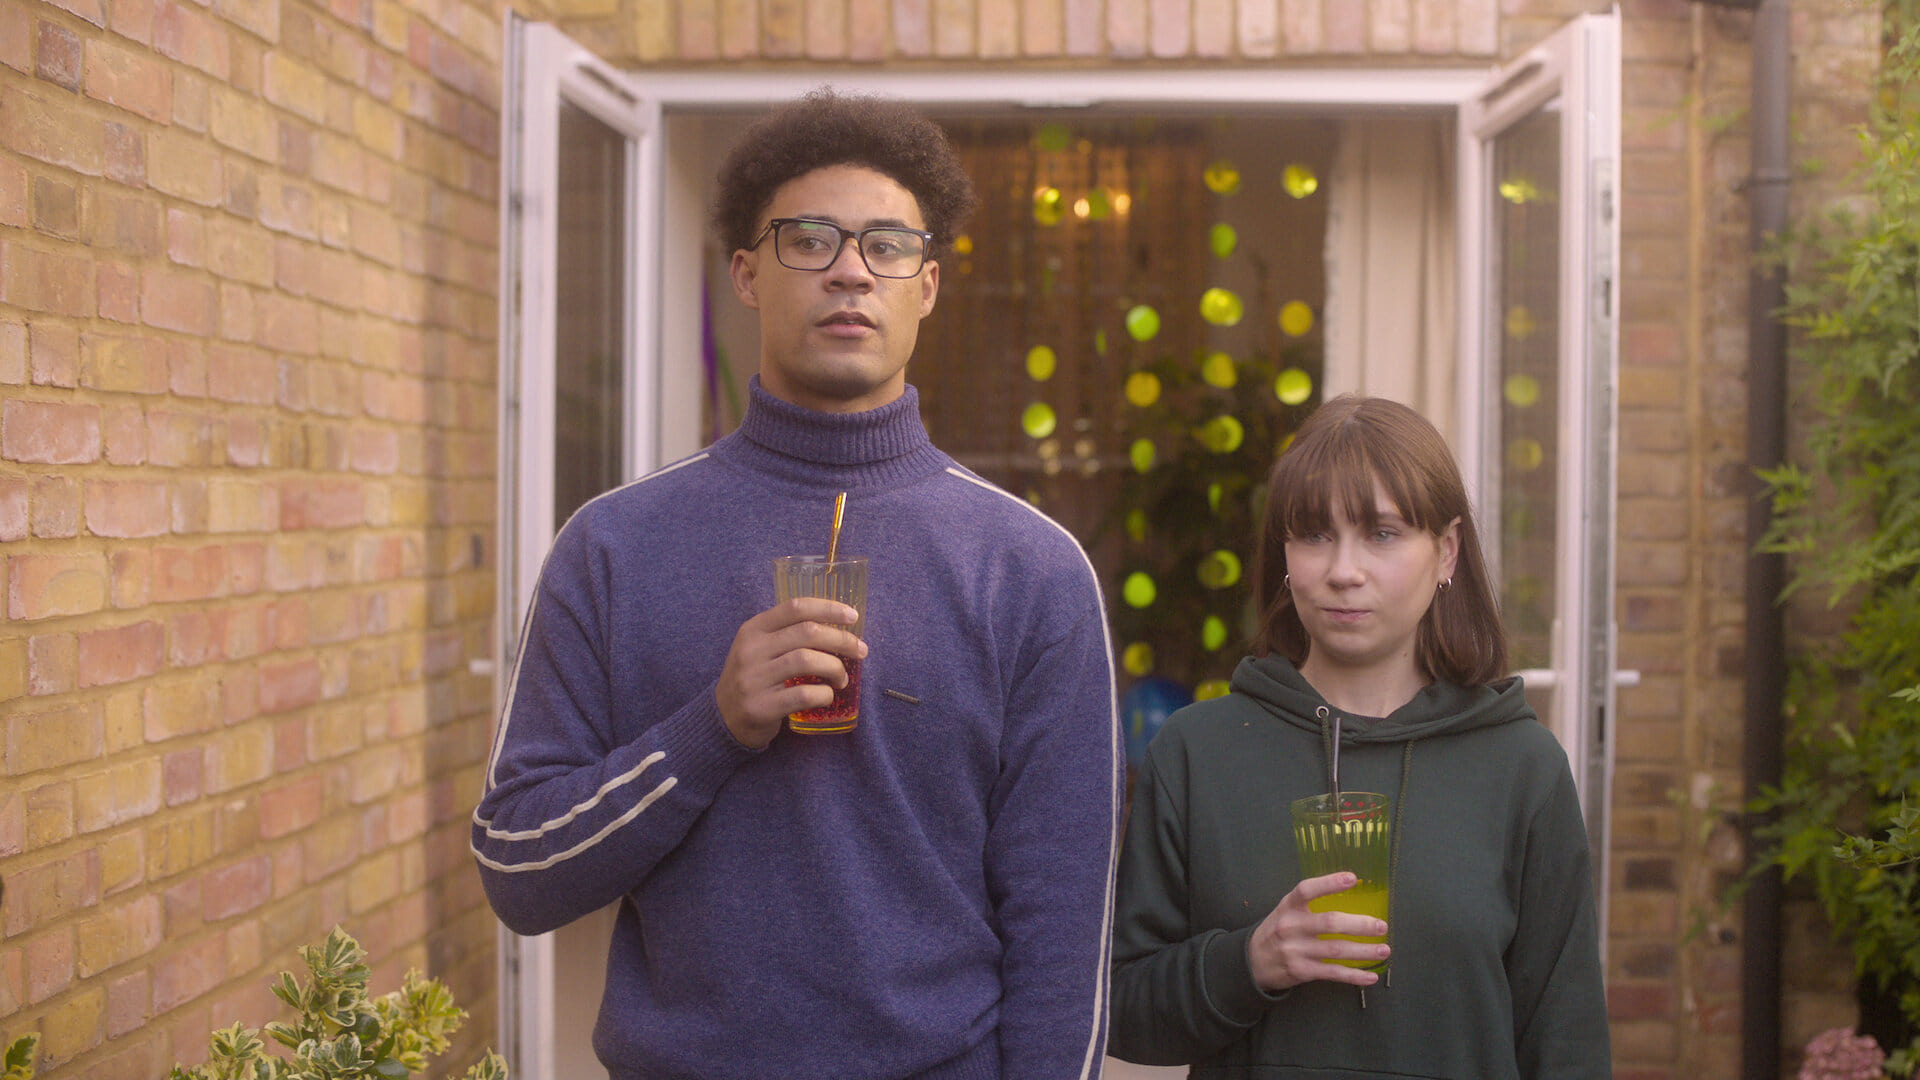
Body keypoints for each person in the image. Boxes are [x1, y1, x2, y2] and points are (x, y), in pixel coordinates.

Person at [471, 89, 1122, 1080]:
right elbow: (518, 870)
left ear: (927, 287)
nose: (851, 269)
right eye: (810, 239)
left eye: (886, 246)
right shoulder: (614, 545)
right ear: (746, 273)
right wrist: (714, 727)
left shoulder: (1028, 568)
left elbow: (1061, 930)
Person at [1107, 394, 1610, 1078]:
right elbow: (1121, 1011)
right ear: (1285, 554)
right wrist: (1250, 961)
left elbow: (1568, 1043)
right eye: (1315, 535)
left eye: (1382, 533)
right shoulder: (1198, 753)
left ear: (1447, 552)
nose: (1344, 570)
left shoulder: (1522, 767)